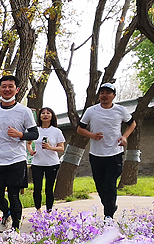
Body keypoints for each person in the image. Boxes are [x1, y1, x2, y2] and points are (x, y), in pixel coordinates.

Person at [0, 75, 39, 232]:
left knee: (14, 195)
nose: (7, 89)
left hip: (16, 159)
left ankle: (15, 228)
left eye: (10, 86)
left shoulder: (24, 111)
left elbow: (34, 134)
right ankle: (6, 213)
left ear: (17, 90)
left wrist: (20, 135)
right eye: (4, 86)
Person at [77, 84, 136, 220]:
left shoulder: (120, 110)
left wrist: (124, 136)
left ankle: (108, 216)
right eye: (102, 93)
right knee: (100, 186)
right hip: (96, 154)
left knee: (110, 184)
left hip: (115, 153)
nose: (104, 95)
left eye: (108, 93)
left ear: (113, 96)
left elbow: (132, 123)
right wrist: (92, 135)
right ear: (99, 96)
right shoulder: (91, 111)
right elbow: (80, 129)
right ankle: (110, 206)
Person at [29, 106, 66, 212]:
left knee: (49, 189)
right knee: (37, 188)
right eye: (43, 113)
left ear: (52, 116)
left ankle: (49, 211)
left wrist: (50, 147)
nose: (45, 115)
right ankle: (38, 210)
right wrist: (31, 151)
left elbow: (61, 148)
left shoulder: (56, 131)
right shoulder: (36, 130)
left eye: (48, 113)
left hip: (52, 163)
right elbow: (28, 143)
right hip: (37, 163)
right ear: (39, 116)